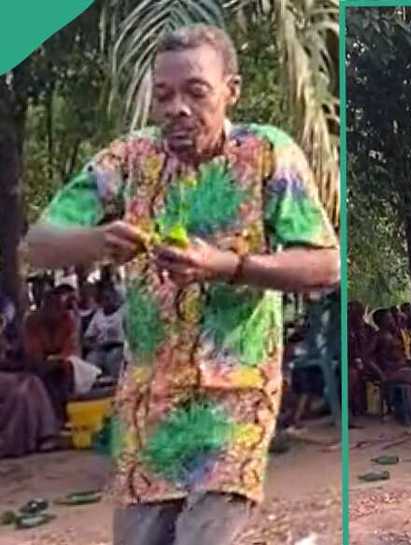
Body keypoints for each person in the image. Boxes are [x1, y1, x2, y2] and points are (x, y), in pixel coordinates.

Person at [24, 24, 340, 545]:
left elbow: (326, 265)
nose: (177, 108)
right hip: (149, 406)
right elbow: (39, 244)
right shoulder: (129, 159)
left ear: (230, 91)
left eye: (196, 92)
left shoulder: (266, 154)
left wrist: (231, 266)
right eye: (164, 95)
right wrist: (97, 240)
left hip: (236, 397)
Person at [23, 285, 80, 421]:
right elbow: (32, 349)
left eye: (57, 306)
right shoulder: (32, 321)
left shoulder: (67, 320)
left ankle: (66, 413)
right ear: (43, 308)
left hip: (61, 363)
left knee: (67, 373)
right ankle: (48, 417)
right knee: (43, 378)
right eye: (50, 306)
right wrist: (47, 361)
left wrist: (60, 359)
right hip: (39, 363)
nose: (54, 311)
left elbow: (70, 346)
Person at [84, 285, 126, 380]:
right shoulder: (98, 315)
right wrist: (93, 346)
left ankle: (115, 381)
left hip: (118, 346)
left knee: (113, 358)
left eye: (110, 298)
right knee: (91, 358)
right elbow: (87, 337)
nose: (108, 301)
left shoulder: (122, 313)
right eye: (105, 299)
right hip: (101, 348)